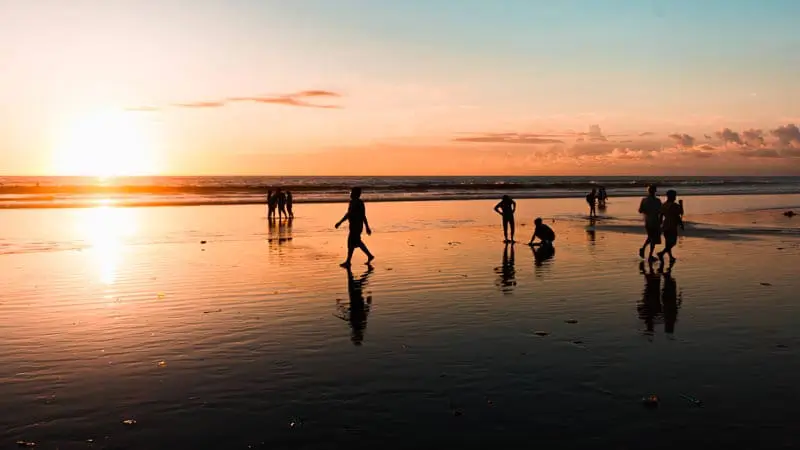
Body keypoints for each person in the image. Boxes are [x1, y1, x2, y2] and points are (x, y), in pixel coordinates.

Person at [335, 187, 375, 267]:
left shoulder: (359, 203)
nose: (350, 193)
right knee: (354, 243)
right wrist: (340, 222)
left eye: (352, 192)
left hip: (357, 226)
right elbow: (348, 214)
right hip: (353, 225)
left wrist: (367, 227)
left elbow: (363, 216)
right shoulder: (352, 202)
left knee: (352, 242)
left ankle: (349, 261)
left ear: (356, 194)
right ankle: (368, 256)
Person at [658, 190, 684, 264]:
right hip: (672, 226)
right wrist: (681, 204)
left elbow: (661, 216)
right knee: (673, 243)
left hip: (665, 225)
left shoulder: (663, 205)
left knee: (668, 242)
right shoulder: (675, 205)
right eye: (674, 196)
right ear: (672, 196)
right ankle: (662, 253)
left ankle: (670, 257)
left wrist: (660, 225)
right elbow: (680, 213)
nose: (675, 197)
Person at [638, 185, 662, 261]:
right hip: (655, 221)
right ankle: (650, 255)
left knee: (650, 237)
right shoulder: (657, 200)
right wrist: (661, 220)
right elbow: (660, 212)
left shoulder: (644, 200)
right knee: (653, 239)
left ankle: (643, 249)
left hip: (647, 221)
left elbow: (640, 210)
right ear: (655, 191)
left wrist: (647, 211)